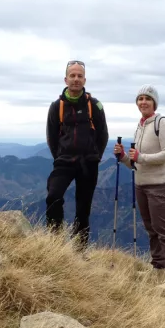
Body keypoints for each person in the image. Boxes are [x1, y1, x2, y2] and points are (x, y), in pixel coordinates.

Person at [114, 85, 165, 291]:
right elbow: (136, 163)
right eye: (140, 98)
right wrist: (123, 157)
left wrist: (140, 157)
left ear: (154, 103)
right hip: (141, 185)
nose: (143, 102)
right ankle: (158, 266)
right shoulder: (141, 125)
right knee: (152, 229)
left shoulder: (162, 123)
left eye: (148, 99)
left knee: (164, 231)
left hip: (160, 185)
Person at [45, 60, 108, 251]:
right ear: (65, 80)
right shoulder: (57, 106)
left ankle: (79, 250)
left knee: (83, 209)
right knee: (53, 196)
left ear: (85, 80)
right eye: (72, 75)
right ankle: (55, 242)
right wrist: (59, 156)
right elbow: (51, 137)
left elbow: (103, 135)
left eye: (80, 76)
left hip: (88, 163)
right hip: (64, 162)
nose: (76, 79)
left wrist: (95, 156)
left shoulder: (94, 105)